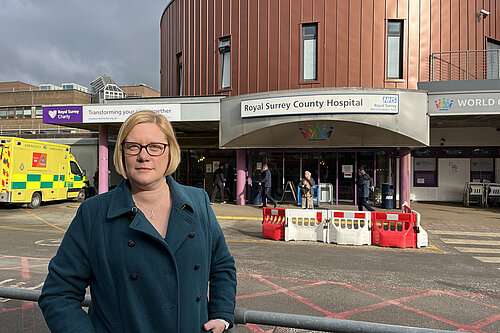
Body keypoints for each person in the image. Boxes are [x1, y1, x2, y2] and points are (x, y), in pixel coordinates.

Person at [38, 110, 237, 333]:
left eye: (155, 146)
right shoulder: (93, 213)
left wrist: (222, 314)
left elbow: (222, 265)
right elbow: (58, 294)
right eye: (133, 146)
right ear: (122, 152)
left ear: (170, 152)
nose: (144, 156)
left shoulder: (198, 201)